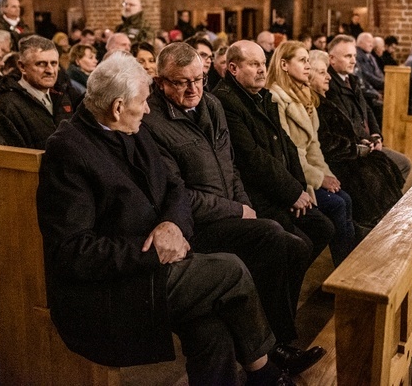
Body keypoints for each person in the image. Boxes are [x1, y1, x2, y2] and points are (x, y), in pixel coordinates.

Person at [37, 54, 292, 386]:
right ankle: (265, 373)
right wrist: (152, 251)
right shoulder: (69, 151)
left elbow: (175, 187)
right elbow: (73, 252)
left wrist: (172, 224)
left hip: (154, 270)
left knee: (211, 331)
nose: (147, 109)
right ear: (116, 107)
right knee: (230, 270)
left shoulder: (132, 128)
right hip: (111, 289)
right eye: (142, 102)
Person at [142, 43, 323, 374]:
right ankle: (277, 348)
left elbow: (232, 168)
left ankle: (277, 342)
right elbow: (178, 194)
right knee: (273, 236)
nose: (194, 88)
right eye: (182, 82)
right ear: (161, 82)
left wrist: (245, 204)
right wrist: (237, 211)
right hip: (196, 225)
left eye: (200, 78)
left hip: (231, 211)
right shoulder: (152, 122)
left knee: (295, 247)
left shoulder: (211, 104)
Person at [213, 41, 335, 267]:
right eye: (253, 64)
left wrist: (297, 188)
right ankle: (278, 294)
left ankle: (287, 285)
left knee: (324, 228)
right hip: (257, 193)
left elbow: (287, 144)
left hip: (280, 188)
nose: (261, 69)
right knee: (300, 244)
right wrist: (290, 193)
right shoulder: (226, 101)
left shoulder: (263, 97)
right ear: (233, 68)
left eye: (263, 63)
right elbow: (252, 157)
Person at [267, 41, 357, 266]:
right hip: (296, 176)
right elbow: (290, 152)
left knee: (344, 197)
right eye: (302, 61)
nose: (307, 66)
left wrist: (326, 176)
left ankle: (348, 269)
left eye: (308, 61)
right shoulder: (277, 99)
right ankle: (345, 272)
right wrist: (318, 179)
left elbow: (313, 146)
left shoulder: (304, 95)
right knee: (337, 204)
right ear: (284, 65)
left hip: (309, 169)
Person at [309, 49, 404, 237]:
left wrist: (366, 139)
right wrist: (357, 148)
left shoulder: (327, 96)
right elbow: (322, 143)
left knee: (385, 169)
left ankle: (386, 228)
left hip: (348, 153)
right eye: (322, 72)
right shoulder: (315, 103)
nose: (328, 77)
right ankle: (372, 234)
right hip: (336, 162)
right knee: (371, 177)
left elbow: (364, 113)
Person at [326, 35, 412, 179]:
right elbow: (346, 122)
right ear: (332, 59)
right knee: (400, 165)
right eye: (348, 56)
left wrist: (377, 134)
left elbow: (367, 110)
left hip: (367, 142)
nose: (354, 60)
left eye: (354, 55)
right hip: (355, 148)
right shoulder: (330, 85)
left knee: (402, 164)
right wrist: (369, 140)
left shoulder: (351, 80)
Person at [0, 35, 73, 149]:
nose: (50, 70)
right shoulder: (5, 106)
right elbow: (11, 159)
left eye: (54, 63)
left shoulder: (62, 96)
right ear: (22, 67)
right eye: (41, 64)